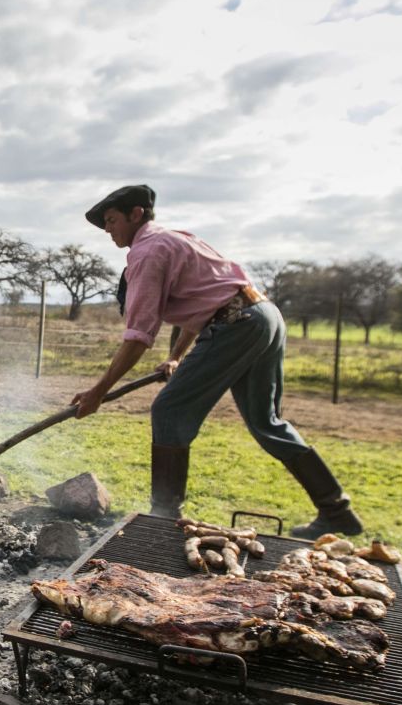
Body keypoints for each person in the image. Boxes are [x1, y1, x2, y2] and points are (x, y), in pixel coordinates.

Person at [69, 184, 363, 539]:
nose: (107, 230)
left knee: (169, 410)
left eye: (111, 220)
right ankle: (337, 509)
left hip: (235, 324)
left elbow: (138, 337)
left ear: (136, 214)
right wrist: (175, 357)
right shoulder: (175, 239)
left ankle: (163, 517)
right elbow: (200, 305)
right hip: (261, 315)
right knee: (267, 422)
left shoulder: (146, 252)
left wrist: (98, 391)